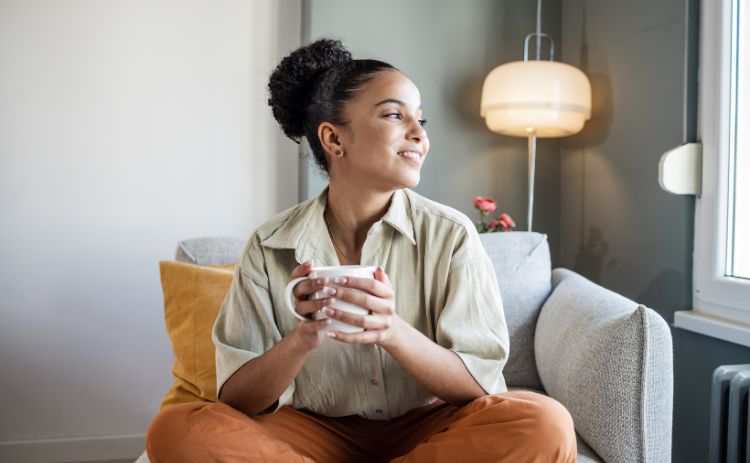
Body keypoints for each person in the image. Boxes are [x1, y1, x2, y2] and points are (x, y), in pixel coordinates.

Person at [146, 38, 576, 463]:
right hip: (310, 430)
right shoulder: (268, 245)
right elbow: (238, 399)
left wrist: (391, 330)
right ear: (334, 139)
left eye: (421, 121)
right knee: (177, 429)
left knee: (544, 423)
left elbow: (479, 387)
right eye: (394, 114)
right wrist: (303, 337)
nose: (418, 134)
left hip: (429, 426)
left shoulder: (452, 235)